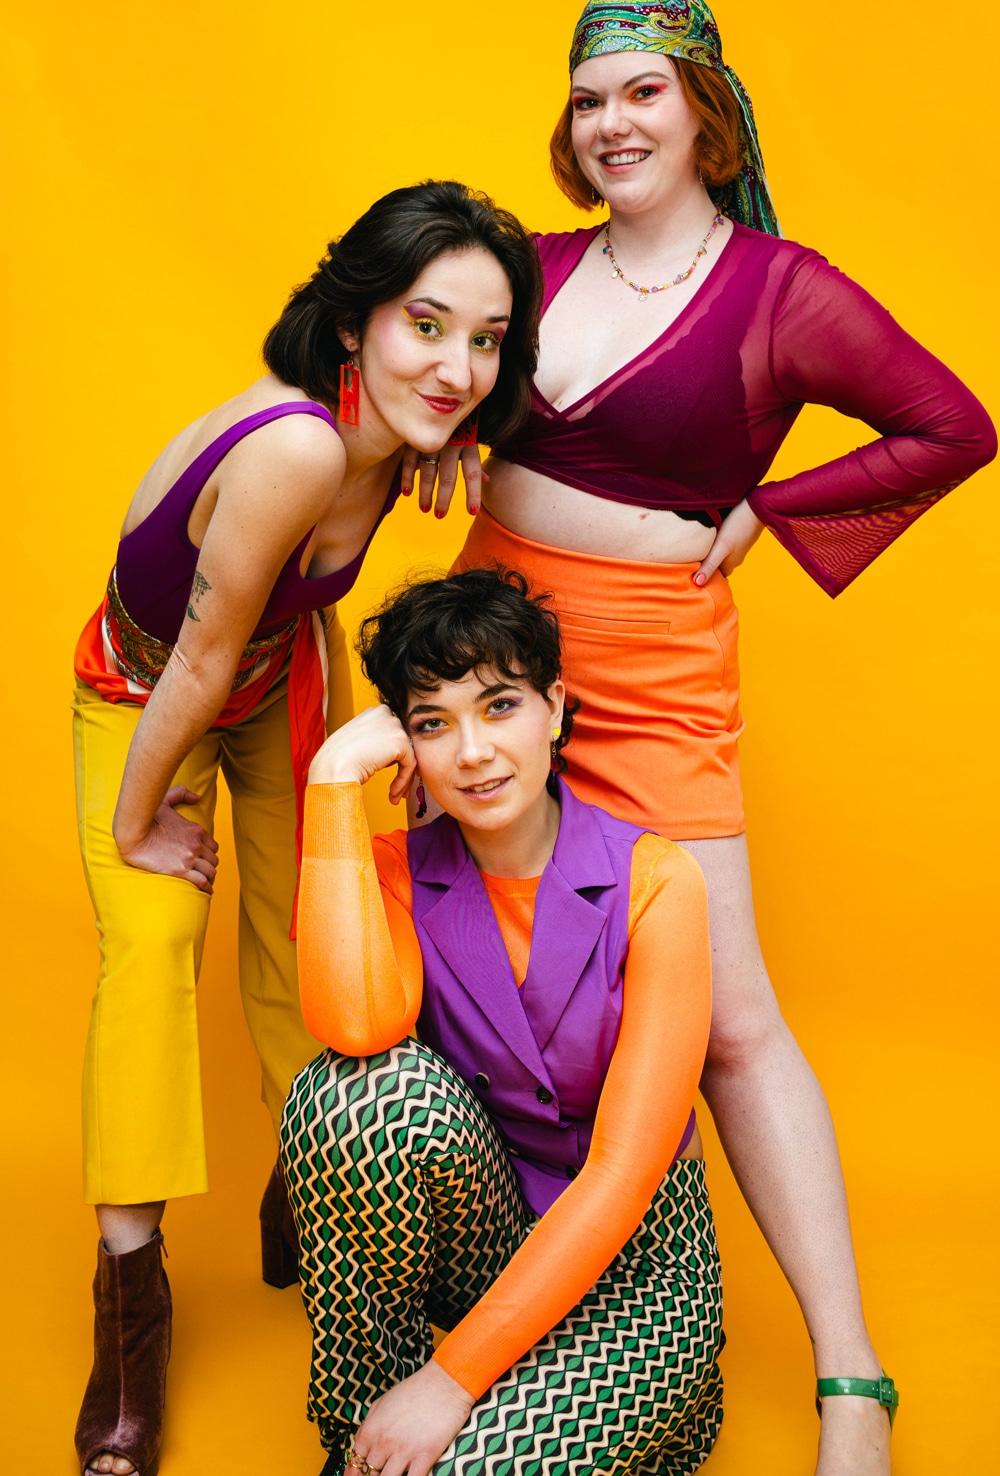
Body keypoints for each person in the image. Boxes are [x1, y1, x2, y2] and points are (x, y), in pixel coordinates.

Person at [406, 0, 995, 1471]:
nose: (611, 124)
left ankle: (851, 1379)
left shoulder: (782, 291)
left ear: (704, 112)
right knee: (433, 957)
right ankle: (453, 1289)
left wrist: (773, 509)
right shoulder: (527, 268)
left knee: (733, 1024)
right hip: (489, 653)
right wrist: (436, 434)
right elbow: (412, 361)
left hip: (654, 667)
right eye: (587, 100)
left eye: (641, 93)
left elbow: (952, 426)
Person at [71, 180, 543, 1476]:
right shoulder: (296, 446)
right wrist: (138, 821)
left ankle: (315, 1190)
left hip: (273, 675)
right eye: (425, 326)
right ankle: (132, 1305)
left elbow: (276, 621)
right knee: (151, 954)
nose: (456, 368)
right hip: (149, 693)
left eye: (485, 341)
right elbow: (193, 660)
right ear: (352, 322)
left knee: (317, 938)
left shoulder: (401, 431)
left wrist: (446, 431)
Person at [283, 566, 722, 1476]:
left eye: (500, 706)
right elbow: (353, 1029)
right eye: (433, 722)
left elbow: (622, 1174)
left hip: (639, 1264)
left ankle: (604, 1412)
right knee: (350, 1094)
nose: (474, 752)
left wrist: (452, 1381)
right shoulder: (395, 869)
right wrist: (331, 781)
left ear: (554, 708)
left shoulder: (657, 883)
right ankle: (365, 1440)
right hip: (487, 1234)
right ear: (404, 742)